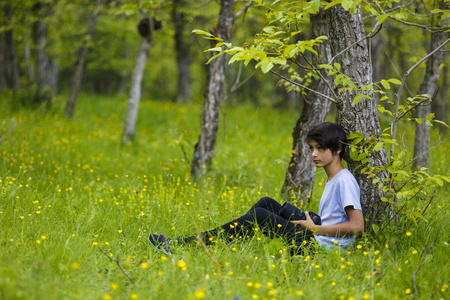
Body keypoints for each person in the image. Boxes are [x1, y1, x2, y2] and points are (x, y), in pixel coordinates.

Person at [149, 122, 364, 254]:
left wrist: (315, 229)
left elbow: (357, 226)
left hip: (321, 250)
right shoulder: (332, 179)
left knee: (260, 216)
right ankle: (228, 239)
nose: (313, 154)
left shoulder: (344, 180)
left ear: (337, 149)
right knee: (267, 204)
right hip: (318, 239)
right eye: (311, 148)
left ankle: (180, 246)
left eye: (320, 148)